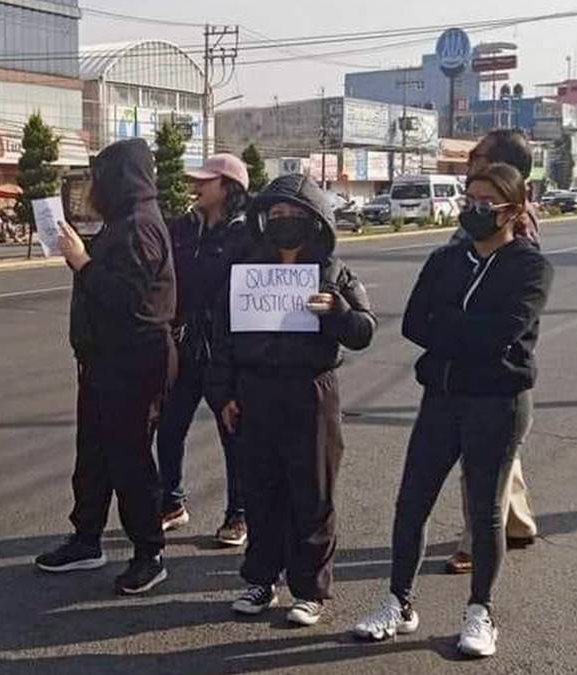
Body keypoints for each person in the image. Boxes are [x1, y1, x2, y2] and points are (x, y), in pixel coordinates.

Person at [353, 163, 553, 658]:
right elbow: (414, 324)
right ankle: (398, 601)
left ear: (513, 208)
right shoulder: (446, 259)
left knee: (485, 512)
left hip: (498, 403)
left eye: (487, 202)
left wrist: (451, 328)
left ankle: (480, 610)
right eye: (470, 199)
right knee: (412, 502)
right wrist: (464, 329)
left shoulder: (530, 266)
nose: (474, 209)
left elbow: (503, 333)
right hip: (440, 397)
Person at [207, 174, 376, 626]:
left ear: (316, 221)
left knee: (312, 495)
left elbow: (364, 330)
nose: (283, 222)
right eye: (275, 215)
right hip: (254, 392)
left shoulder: (334, 273)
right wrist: (222, 395)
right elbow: (222, 338)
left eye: (294, 215)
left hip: (311, 393)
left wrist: (337, 310)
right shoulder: (246, 272)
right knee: (261, 492)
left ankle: (310, 590)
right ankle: (260, 580)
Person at [34, 138, 178, 596]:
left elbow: (125, 300)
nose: (91, 187)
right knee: (94, 454)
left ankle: (148, 553)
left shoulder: (140, 226)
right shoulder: (123, 222)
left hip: (134, 363)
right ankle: (86, 538)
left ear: (119, 180)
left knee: (129, 459)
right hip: (105, 361)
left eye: (97, 177)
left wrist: (81, 261)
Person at [446, 128, 541, 575]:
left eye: (478, 157)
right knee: (502, 452)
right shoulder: (487, 209)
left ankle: (474, 541)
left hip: (491, 363)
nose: (470, 162)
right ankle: (517, 522)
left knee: (481, 459)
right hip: (481, 360)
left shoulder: (512, 223)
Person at [157, 154, 255, 546]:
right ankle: (172, 503)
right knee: (169, 428)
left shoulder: (246, 235)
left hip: (225, 351)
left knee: (233, 434)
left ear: (229, 188)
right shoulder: (183, 228)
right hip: (184, 346)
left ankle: (239, 515)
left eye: (205, 181)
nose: (196, 186)